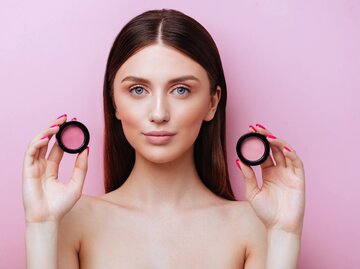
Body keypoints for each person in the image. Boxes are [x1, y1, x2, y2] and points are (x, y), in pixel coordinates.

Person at [22, 8, 305, 269]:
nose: (158, 113)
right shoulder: (72, 220)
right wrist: (41, 226)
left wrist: (284, 234)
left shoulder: (253, 225)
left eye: (181, 90)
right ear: (114, 102)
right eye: (137, 90)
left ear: (212, 103)